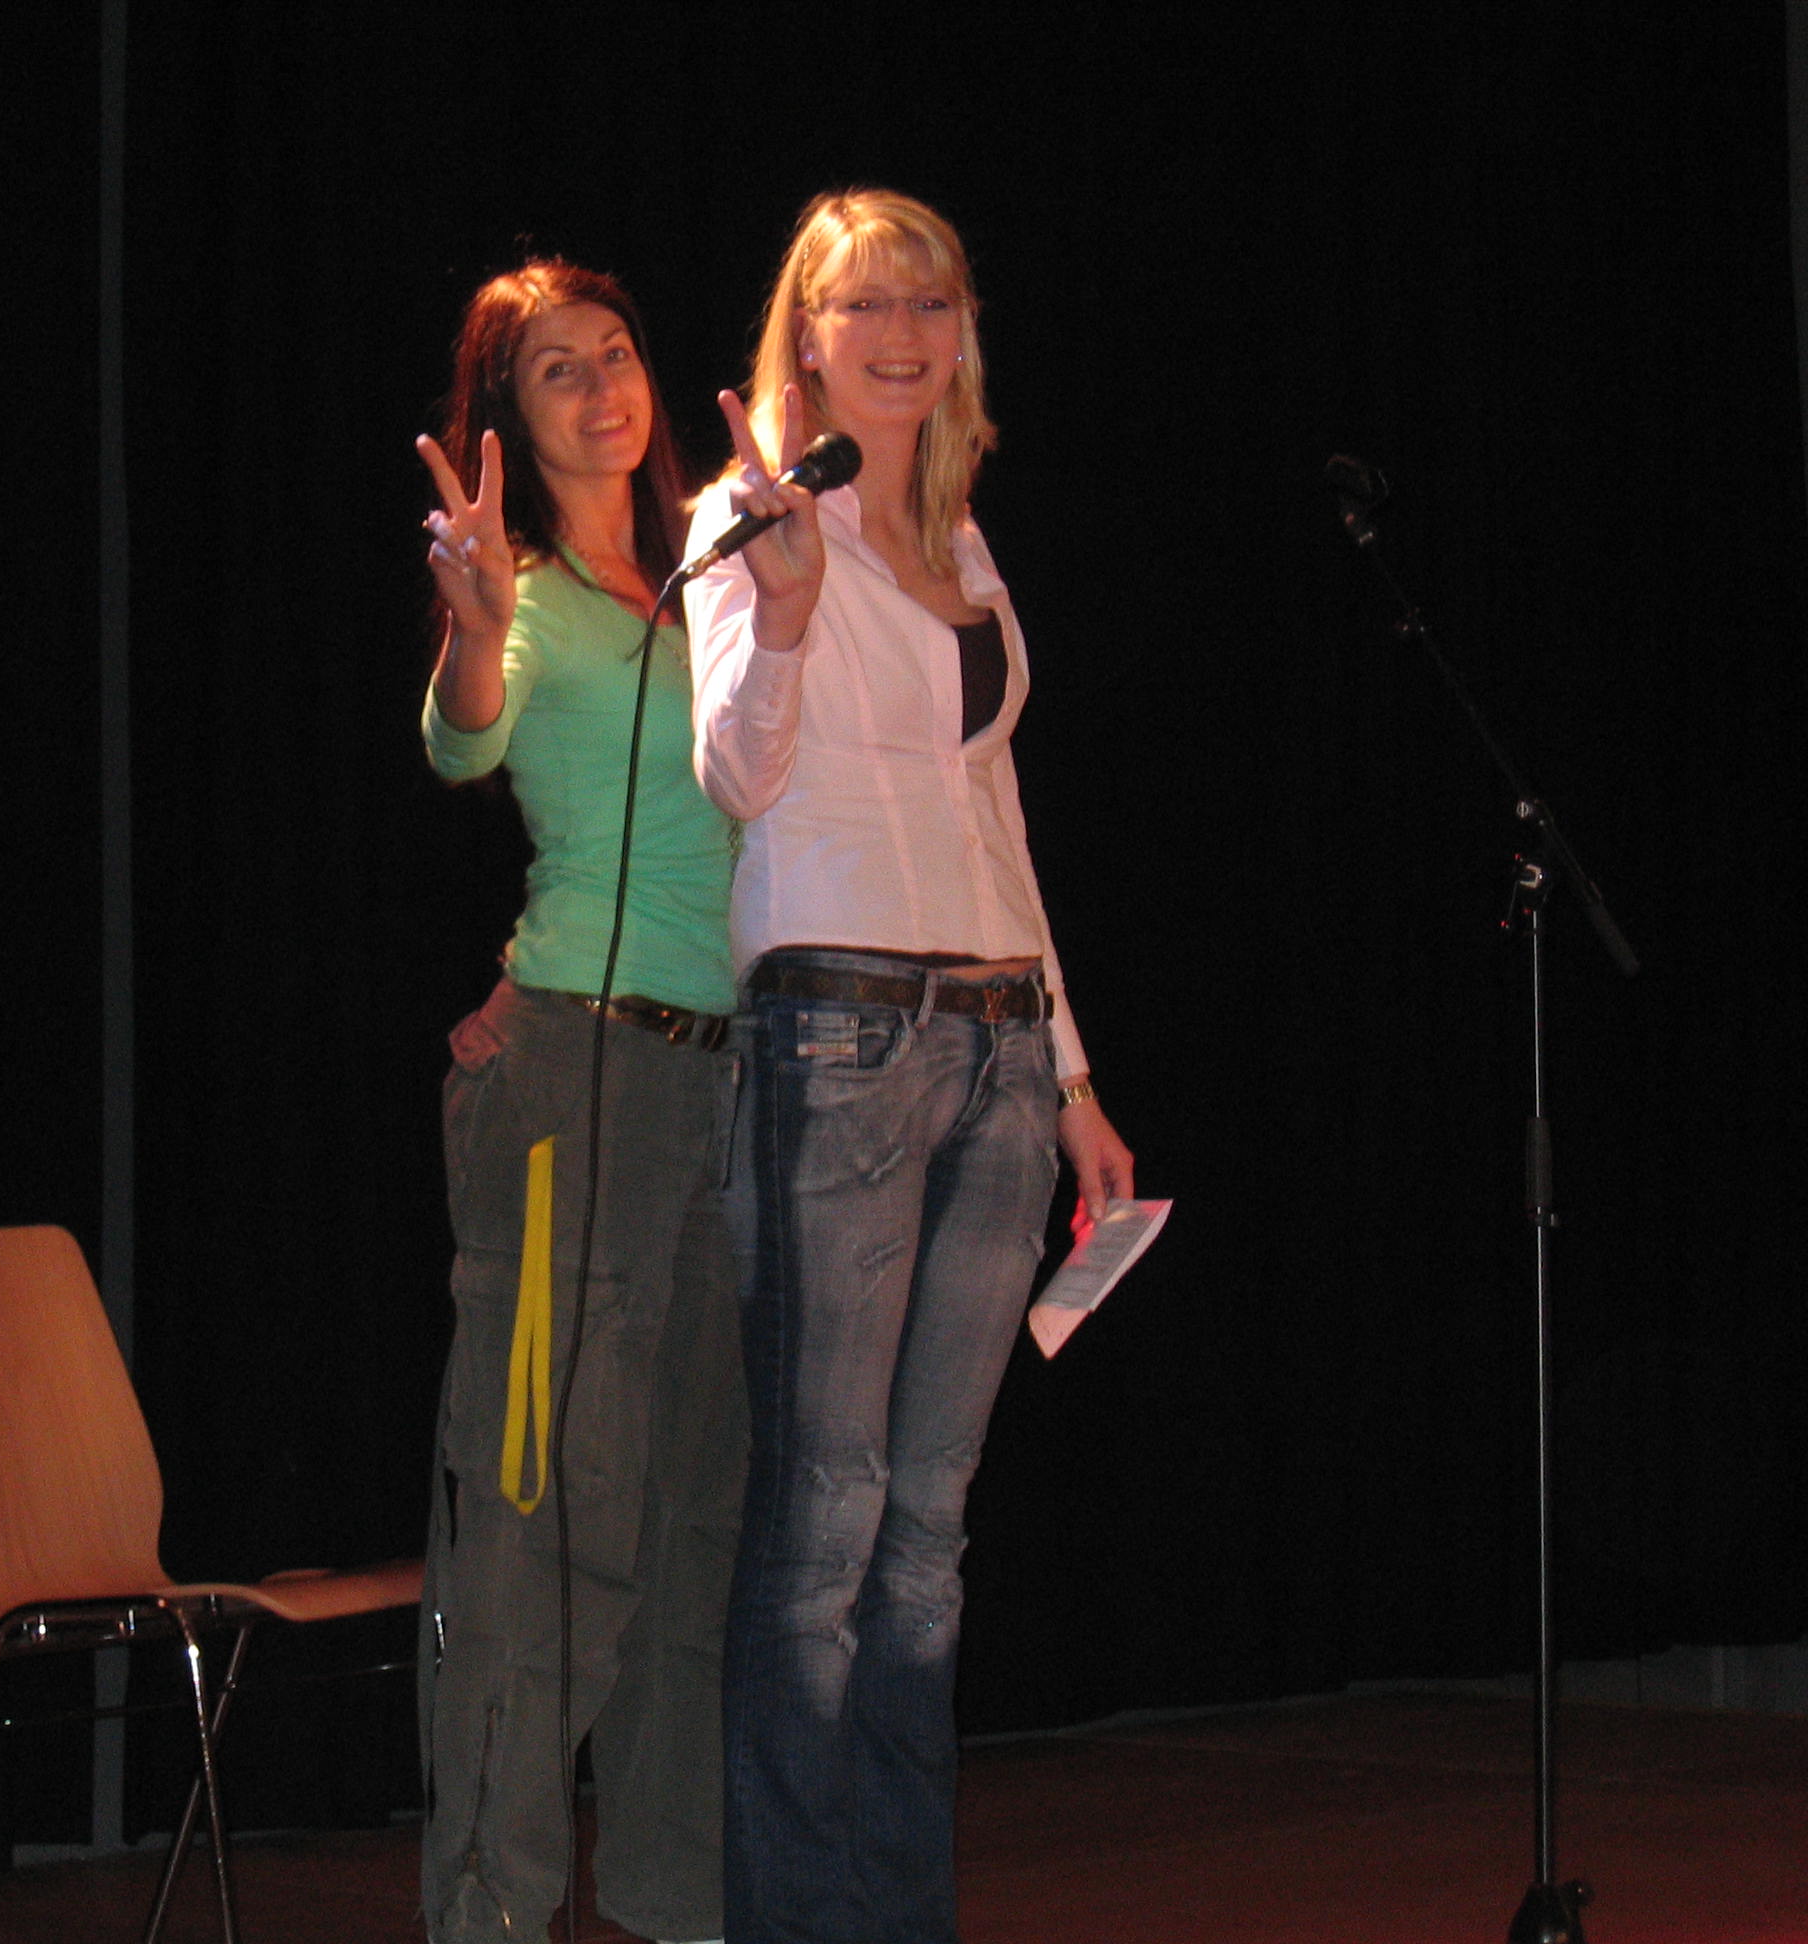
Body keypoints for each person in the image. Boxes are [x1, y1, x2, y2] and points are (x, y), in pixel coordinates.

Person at [683, 188, 1137, 1944]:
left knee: (928, 1536)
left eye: (929, 302)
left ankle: (899, 1917)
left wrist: (1073, 1077)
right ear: (804, 336)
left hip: (1000, 1052)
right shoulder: (751, 515)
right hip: (843, 1033)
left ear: (963, 334)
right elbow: (736, 776)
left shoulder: (962, 533)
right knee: (823, 1520)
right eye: (863, 304)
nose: (900, 334)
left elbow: (990, 812)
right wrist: (791, 609)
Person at [411, 260, 744, 1944]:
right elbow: (464, 740)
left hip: (720, 1097)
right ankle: (489, 1917)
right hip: (580, 1084)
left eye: (618, 354)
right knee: (546, 1537)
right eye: (558, 370)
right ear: (507, 415)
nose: (604, 387)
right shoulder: (530, 597)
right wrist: (472, 631)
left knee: (691, 1542)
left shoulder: (710, 584)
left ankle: (682, 1909)